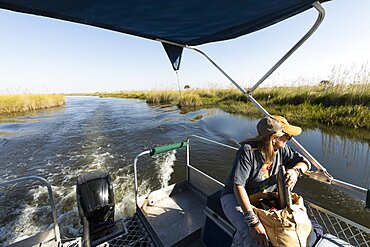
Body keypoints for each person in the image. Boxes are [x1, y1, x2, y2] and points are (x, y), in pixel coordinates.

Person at [221, 115, 311, 247]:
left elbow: (305, 163)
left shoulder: (282, 150)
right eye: (287, 136)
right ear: (274, 138)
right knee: (254, 235)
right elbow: (238, 186)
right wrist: (253, 222)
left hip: (261, 198)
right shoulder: (248, 151)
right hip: (235, 197)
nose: (289, 139)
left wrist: (295, 171)